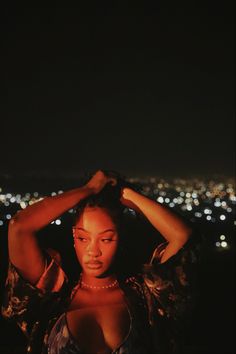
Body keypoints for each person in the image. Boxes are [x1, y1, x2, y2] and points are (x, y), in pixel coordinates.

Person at [1, 170, 202, 354]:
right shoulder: (52, 299)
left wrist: (125, 193)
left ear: (120, 238)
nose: (93, 251)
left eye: (105, 239)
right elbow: (19, 227)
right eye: (83, 238)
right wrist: (87, 190)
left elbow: (184, 237)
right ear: (73, 237)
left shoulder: (147, 297)